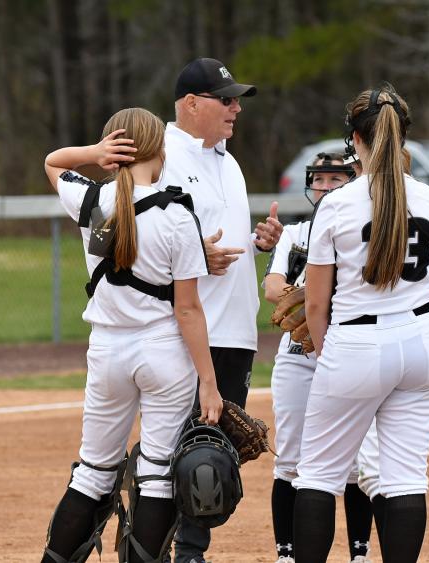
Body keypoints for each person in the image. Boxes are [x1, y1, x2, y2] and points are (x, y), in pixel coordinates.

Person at [40, 107, 223, 563]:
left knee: (93, 473)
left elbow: (53, 163)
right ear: (159, 151)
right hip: (163, 352)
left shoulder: (94, 202)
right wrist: (209, 380)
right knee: (158, 475)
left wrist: (93, 154)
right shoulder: (179, 213)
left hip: (107, 350)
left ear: (114, 152)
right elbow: (188, 309)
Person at [291, 84, 429, 563]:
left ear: (356, 141)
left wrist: (329, 358)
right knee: (405, 476)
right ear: (402, 138)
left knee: (320, 475)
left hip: (357, 340)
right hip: (425, 341)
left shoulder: (338, 204)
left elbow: (317, 304)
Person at [155, 57, 283, 563]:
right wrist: (188, 256)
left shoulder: (227, 161)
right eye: (225, 98)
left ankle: (190, 552)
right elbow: (131, 234)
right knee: (174, 452)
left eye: (237, 99)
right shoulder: (159, 154)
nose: (235, 107)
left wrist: (258, 243)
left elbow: (222, 245)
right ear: (191, 104)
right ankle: (152, 548)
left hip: (234, 329)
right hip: (184, 326)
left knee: (212, 455)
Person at [265, 153, 374, 563]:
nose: (326, 186)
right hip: (299, 354)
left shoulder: (360, 229)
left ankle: (359, 553)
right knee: (291, 458)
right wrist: (315, 292)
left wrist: (313, 292)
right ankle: (286, 553)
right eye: (320, 179)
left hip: (348, 351)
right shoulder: (295, 233)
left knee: (354, 461)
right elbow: (274, 288)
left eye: (337, 178)